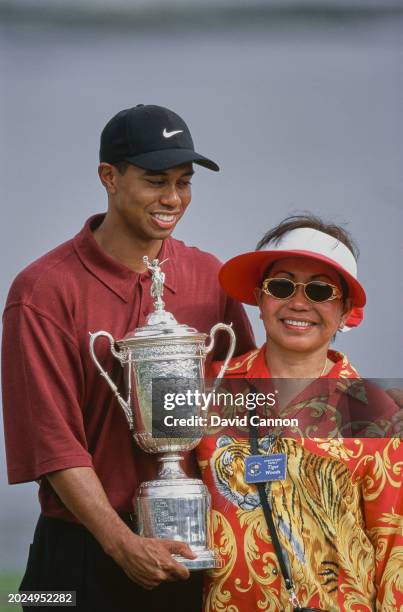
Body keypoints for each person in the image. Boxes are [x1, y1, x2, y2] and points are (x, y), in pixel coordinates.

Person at [1, 104, 255, 611]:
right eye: (156, 181)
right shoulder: (42, 291)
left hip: (192, 551)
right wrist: (124, 545)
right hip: (74, 562)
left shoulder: (210, 278)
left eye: (184, 182)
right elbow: (54, 445)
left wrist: (377, 409)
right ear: (109, 177)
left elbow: (249, 404)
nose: (173, 198)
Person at [197, 215, 403, 611]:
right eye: (281, 286)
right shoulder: (208, 390)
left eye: (321, 291)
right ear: (259, 298)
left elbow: (395, 554)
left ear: (345, 312)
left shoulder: (377, 413)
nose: (298, 303)